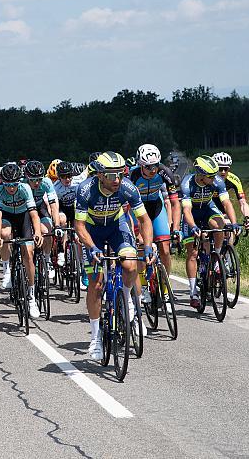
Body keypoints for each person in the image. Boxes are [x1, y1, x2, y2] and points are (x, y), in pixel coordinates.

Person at [74, 152, 155, 361]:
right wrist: (91, 247)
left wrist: (147, 247)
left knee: (129, 266)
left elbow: (144, 220)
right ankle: (95, 338)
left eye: (120, 174)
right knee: (97, 283)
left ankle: (127, 302)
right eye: (111, 175)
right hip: (92, 232)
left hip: (117, 226)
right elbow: (79, 226)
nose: (116, 180)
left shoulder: (127, 187)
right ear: (100, 175)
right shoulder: (85, 190)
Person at [180, 155, 240, 308]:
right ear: (200, 175)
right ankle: (193, 292)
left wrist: (233, 223)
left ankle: (217, 258)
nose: (215, 178)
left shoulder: (217, 181)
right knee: (192, 253)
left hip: (207, 209)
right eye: (211, 176)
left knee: (220, 225)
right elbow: (186, 210)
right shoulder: (187, 183)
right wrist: (193, 227)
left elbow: (226, 203)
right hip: (192, 214)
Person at [128, 144, 181, 300]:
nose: (153, 170)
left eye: (156, 166)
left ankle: (164, 288)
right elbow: (125, 208)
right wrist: (133, 231)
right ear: (140, 165)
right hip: (136, 210)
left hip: (155, 207)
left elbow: (175, 203)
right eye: (149, 167)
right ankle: (143, 286)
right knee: (141, 246)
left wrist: (176, 228)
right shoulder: (132, 176)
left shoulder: (166, 173)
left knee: (165, 247)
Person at [0, 163, 43, 318]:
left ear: (19, 182)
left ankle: (31, 295)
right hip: (7, 217)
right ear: (3, 183)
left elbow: (34, 214)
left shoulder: (25, 188)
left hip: (23, 218)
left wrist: (39, 232)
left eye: (15, 184)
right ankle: (7, 269)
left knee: (28, 253)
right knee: (5, 234)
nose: (12, 188)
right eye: (8, 185)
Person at [23, 160, 62, 280]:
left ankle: (47, 259)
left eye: (39, 179)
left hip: (40, 207)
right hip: (24, 209)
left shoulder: (47, 182)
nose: (36, 183)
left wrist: (57, 225)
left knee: (47, 231)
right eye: (33, 179)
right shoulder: (22, 184)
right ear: (26, 177)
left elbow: (54, 205)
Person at [212, 152, 249, 232]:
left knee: (229, 229)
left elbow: (243, 203)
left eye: (226, 169)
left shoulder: (234, 179)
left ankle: (229, 244)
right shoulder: (208, 179)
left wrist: (247, 218)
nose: (223, 172)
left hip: (222, 206)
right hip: (208, 206)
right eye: (220, 169)